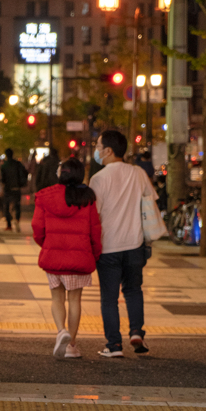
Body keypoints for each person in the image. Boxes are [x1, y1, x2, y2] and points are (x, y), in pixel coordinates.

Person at [89, 129, 157, 358]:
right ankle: (137, 332)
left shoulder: (98, 179)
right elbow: (149, 202)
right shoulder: (138, 173)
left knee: (109, 297)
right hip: (135, 243)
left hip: (108, 246)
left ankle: (114, 345)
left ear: (108, 151)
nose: (97, 151)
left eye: (98, 147)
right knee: (133, 290)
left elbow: (94, 214)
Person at [32, 156, 102, 359]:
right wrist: (94, 253)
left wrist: (47, 245)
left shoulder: (45, 196)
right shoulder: (87, 197)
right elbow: (94, 230)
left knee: (56, 298)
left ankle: (60, 330)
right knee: (75, 300)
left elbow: (37, 228)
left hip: (53, 258)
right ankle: (71, 345)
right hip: (78, 259)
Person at [0, 147, 28, 232]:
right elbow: (25, 172)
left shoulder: (4, 165)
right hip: (17, 187)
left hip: (8, 188)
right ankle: (17, 220)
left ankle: (9, 225)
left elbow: (2, 179)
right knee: (17, 205)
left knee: (7, 206)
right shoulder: (18, 164)